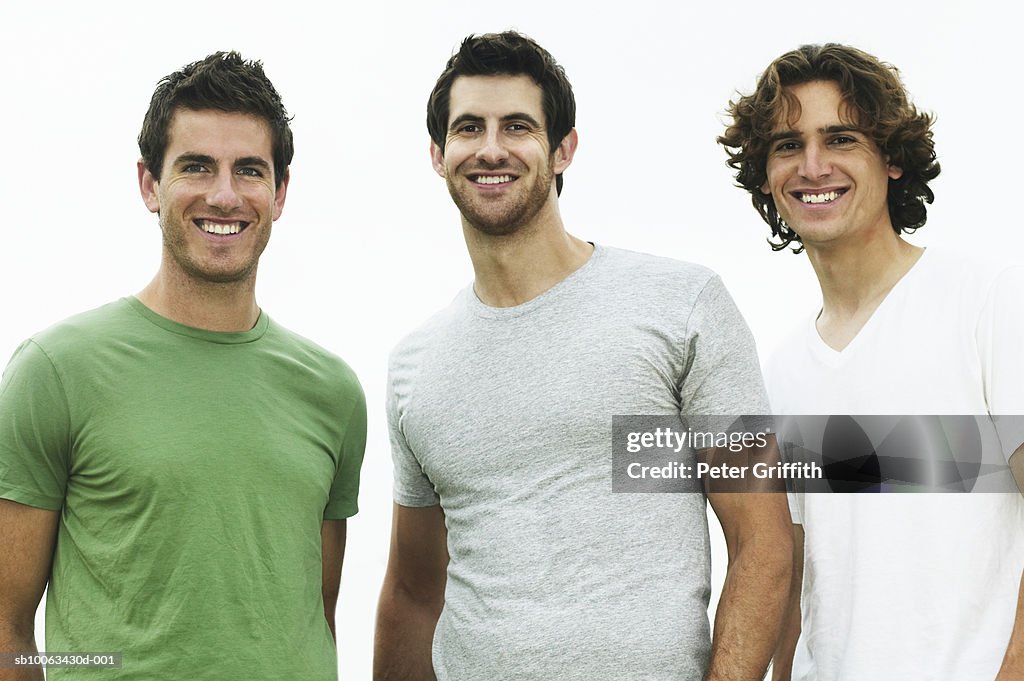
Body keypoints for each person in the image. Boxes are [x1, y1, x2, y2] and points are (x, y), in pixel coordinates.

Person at [374, 31, 792, 681]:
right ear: (438, 153)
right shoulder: (415, 365)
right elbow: (413, 593)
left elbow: (761, 540)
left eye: (517, 126)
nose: (490, 148)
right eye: (468, 128)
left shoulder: (680, 304)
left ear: (563, 148)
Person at [0, 52, 366, 680]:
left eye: (249, 170)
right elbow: (8, 630)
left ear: (279, 194)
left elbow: (313, 617)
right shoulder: (56, 372)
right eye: (196, 166)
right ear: (149, 184)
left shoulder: (333, 392)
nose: (224, 194)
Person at [719, 43, 1024, 681]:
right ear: (766, 175)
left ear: (890, 159)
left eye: (840, 138)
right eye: (786, 144)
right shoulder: (778, 373)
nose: (813, 165)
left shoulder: (987, 300)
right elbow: (797, 581)